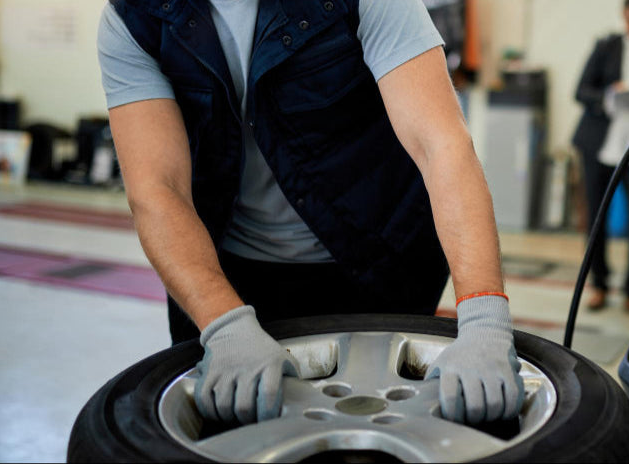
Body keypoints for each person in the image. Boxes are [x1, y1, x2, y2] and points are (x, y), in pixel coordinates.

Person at [96, 0, 521, 426]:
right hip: (226, 275)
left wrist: (483, 317)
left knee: (377, 427)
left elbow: (441, 145)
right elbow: (158, 191)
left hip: (376, 261)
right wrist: (223, 325)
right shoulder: (135, 17)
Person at [572, 0, 629, 314]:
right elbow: (580, 91)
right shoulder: (606, 47)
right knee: (596, 219)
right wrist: (611, 94)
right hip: (598, 145)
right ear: (624, 17)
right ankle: (600, 285)